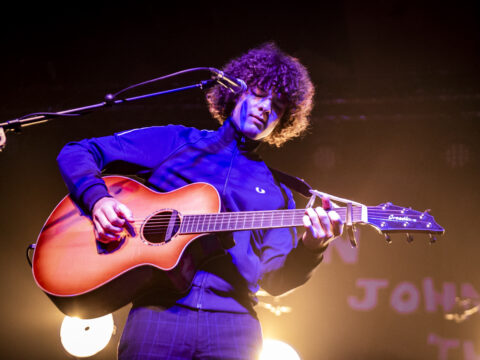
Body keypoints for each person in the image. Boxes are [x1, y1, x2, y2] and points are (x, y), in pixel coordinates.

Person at [57, 42, 343, 360]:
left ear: (282, 123)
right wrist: (98, 201)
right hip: (156, 313)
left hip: (235, 327)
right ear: (236, 91)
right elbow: (78, 152)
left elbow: (275, 281)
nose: (265, 108)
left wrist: (312, 249)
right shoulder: (178, 142)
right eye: (260, 94)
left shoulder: (280, 193)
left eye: (276, 107)